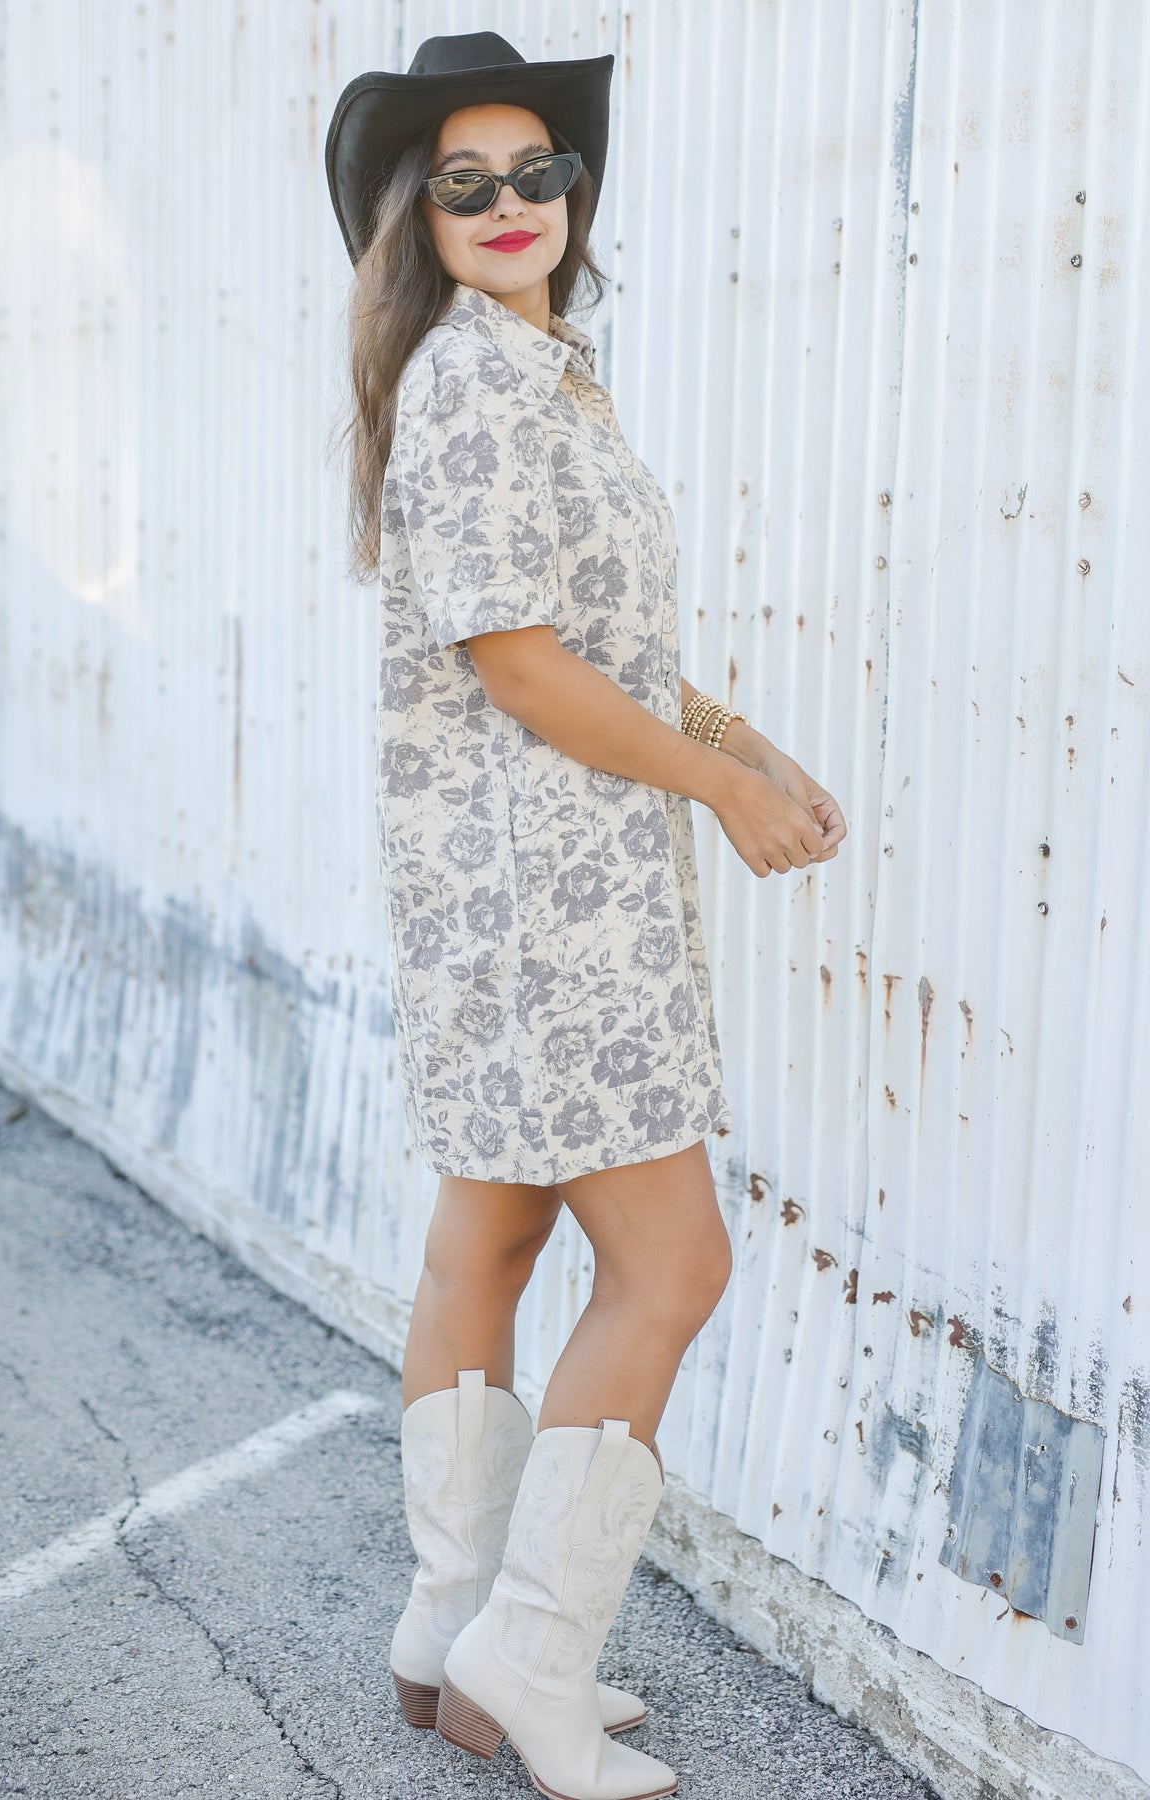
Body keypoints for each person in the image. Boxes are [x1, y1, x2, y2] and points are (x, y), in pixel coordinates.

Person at [325, 31, 846, 1800]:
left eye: (535, 170)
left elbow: (607, 652)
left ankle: (450, 1626)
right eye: (462, 182)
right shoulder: (479, 387)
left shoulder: (540, 377)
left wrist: (742, 739)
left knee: (495, 1239)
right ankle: (528, 1658)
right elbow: (527, 672)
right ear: (414, 211)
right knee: (672, 1262)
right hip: (551, 890)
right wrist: (717, 790)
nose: (508, 203)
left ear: (575, 190)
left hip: (507, 885)